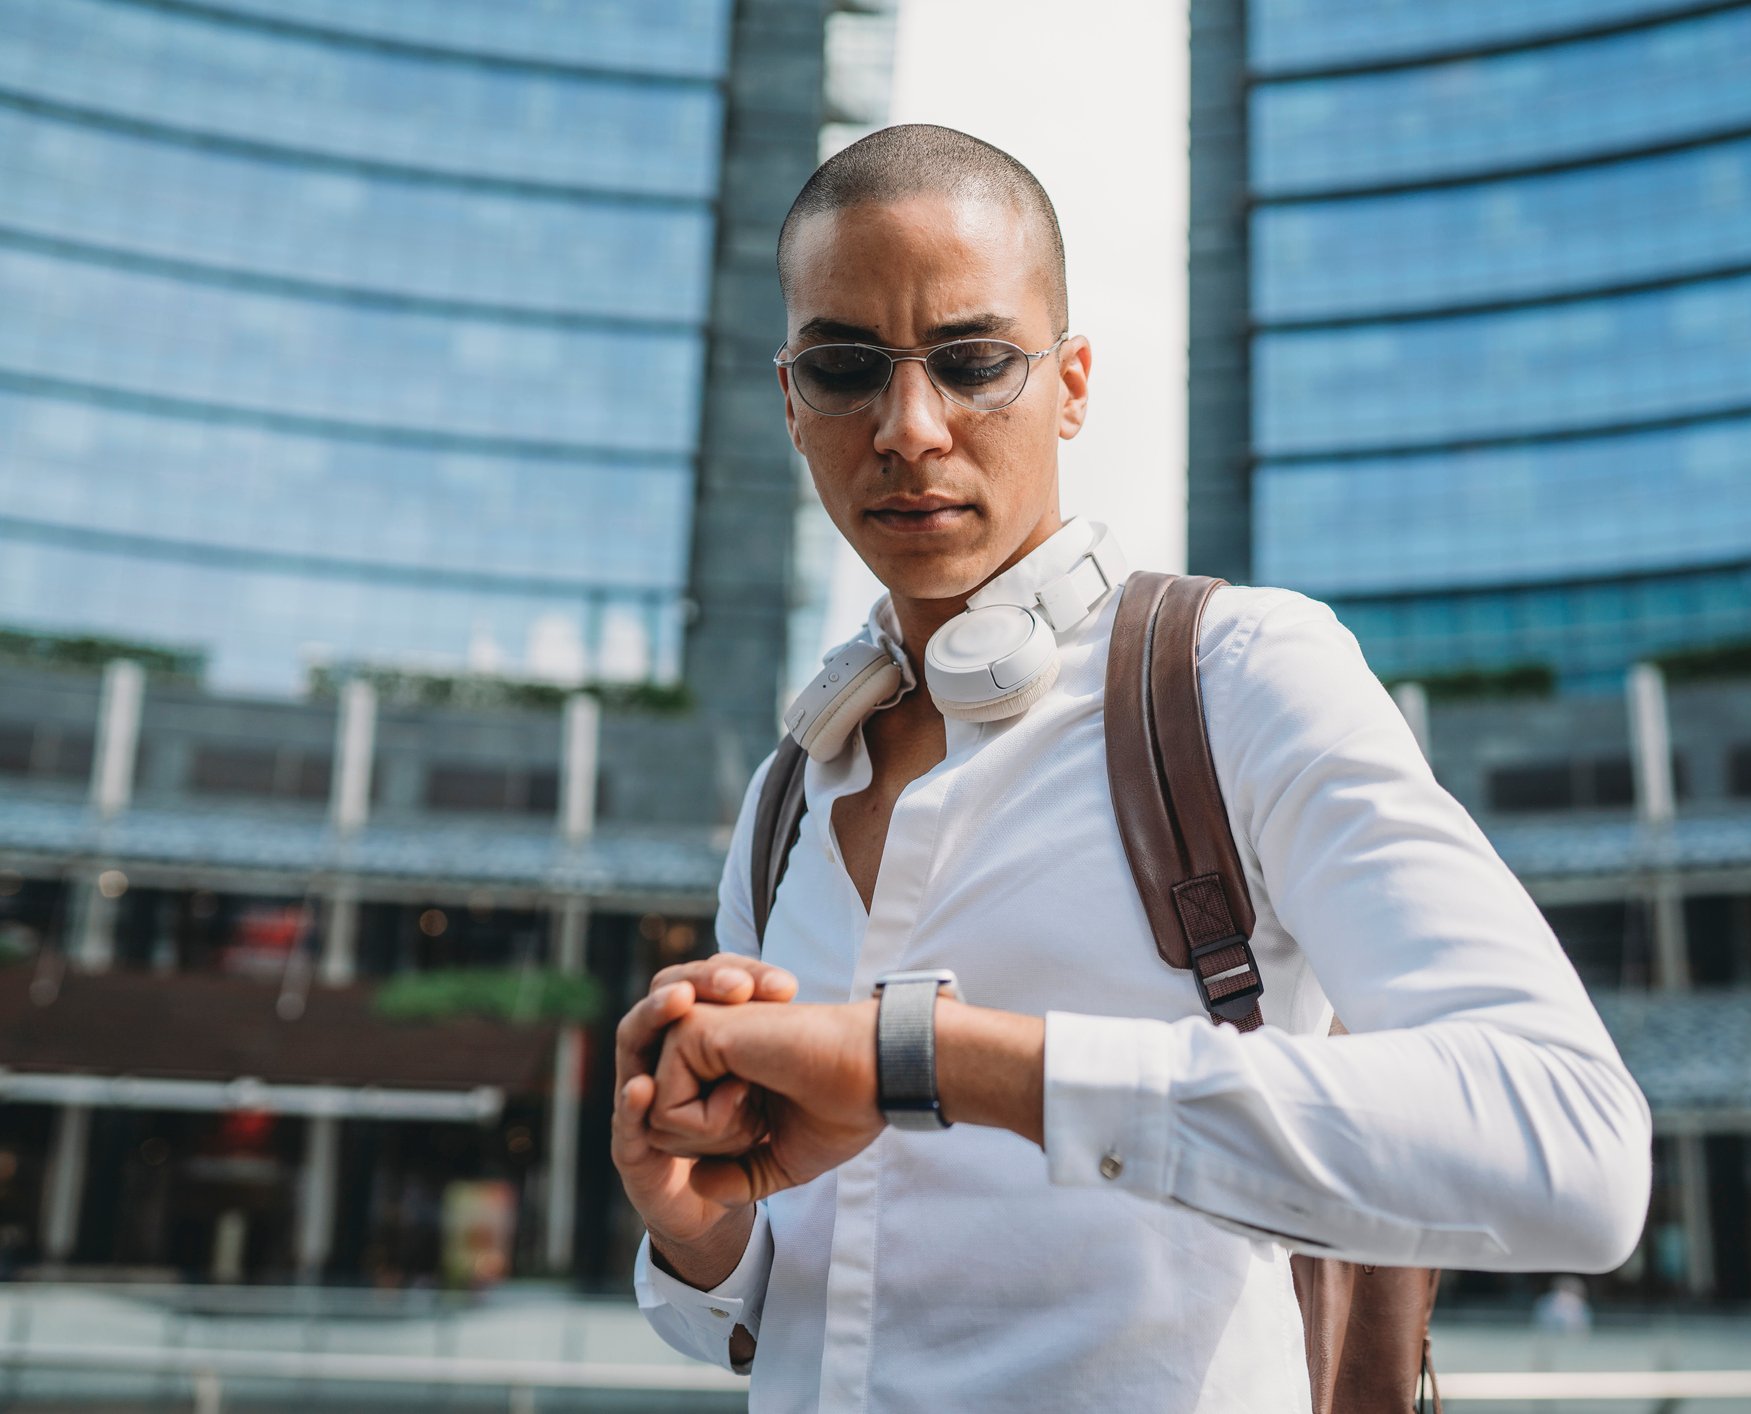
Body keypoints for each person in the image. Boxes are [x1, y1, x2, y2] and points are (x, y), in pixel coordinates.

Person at [611, 123, 1652, 1413]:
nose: (910, 426)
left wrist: (938, 1061)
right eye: (845, 367)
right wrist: (697, 1223)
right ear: (790, 398)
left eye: (975, 360)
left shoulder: (1241, 675)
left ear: (1073, 383)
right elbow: (773, 1308)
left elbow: (1577, 1151)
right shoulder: (787, 794)